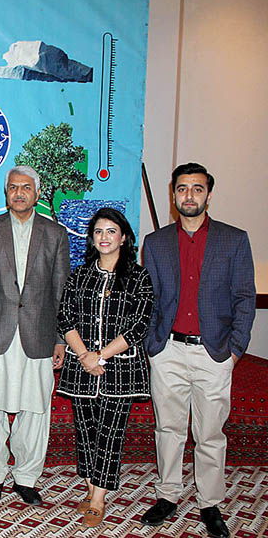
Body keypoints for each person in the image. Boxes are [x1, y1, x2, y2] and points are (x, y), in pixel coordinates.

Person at [140, 163, 255, 538]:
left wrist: (235, 350)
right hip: (167, 350)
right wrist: (152, 347)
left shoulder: (234, 240)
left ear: (208, 193)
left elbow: (244, 299)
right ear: (173, 195)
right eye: (182, 189)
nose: (189, 195)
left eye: (197, 189)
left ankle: (210, 503)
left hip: (214, 352)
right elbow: (150, 300)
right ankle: (168, 494)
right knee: (168, 428)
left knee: (209, 433)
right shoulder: (155, 243)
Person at [0, 165, 70, 506]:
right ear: (6, 192)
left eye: (26, 187)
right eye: (13, 187)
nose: (18, 193)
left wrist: (61, 338)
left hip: (39, 334)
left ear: (37, 193)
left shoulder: (56, 234)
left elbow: (62, 291)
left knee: (36, 408)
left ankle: (27, 478)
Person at [56, 207, 153, 527]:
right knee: (86, 432)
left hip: (120, 369)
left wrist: (102, 356)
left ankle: (98, 498)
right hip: (81, 367)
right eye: (98, 231)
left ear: (124, 237)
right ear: (91, 238)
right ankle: (90, 486)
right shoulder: (79, 275)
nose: (104, 237)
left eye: (111, 231)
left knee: (110, 434)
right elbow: (65, 318)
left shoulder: (138, 277)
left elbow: (140, 324)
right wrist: (85, 355)